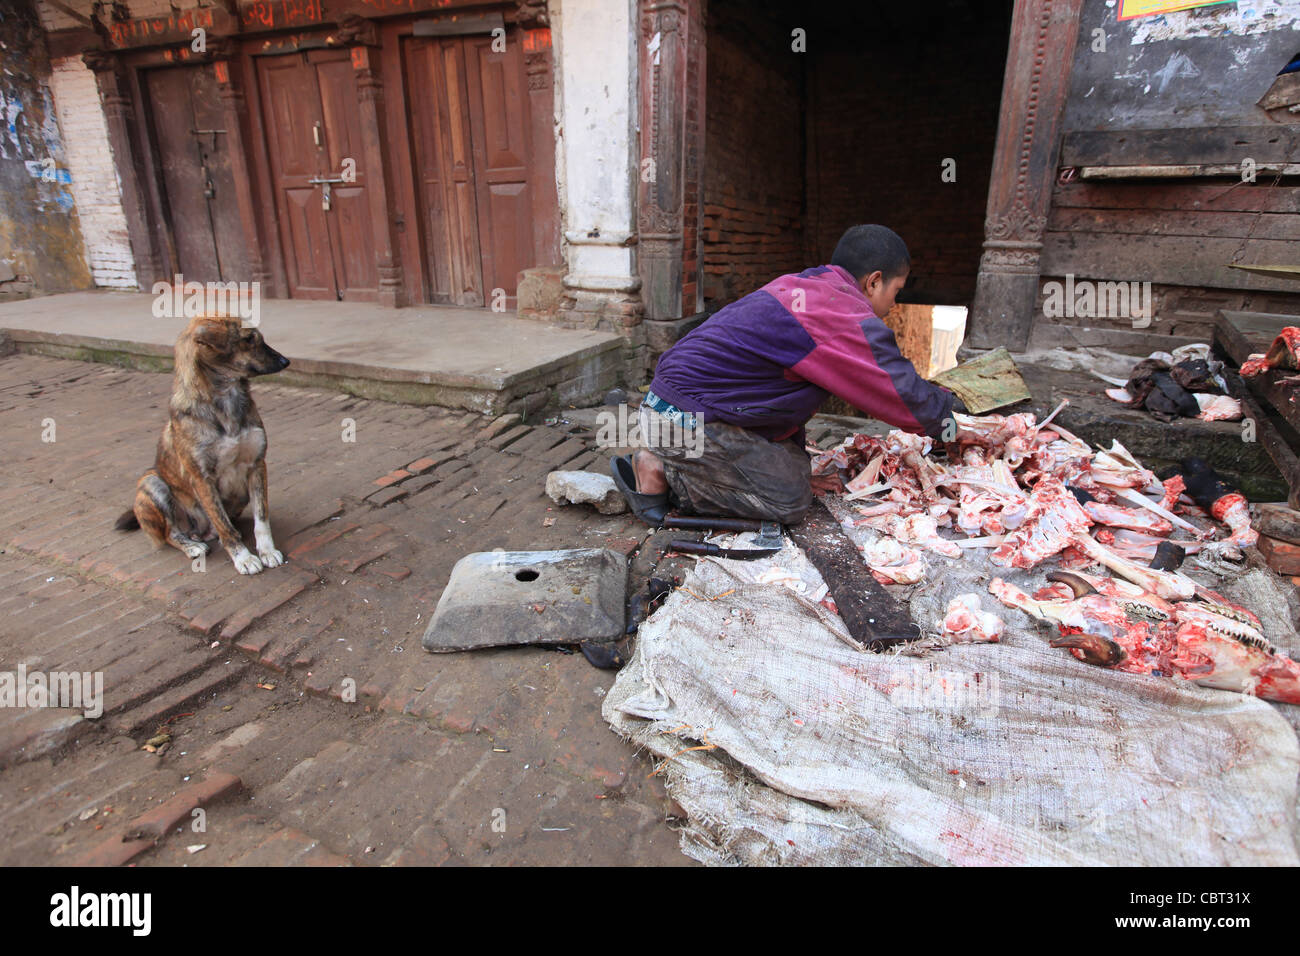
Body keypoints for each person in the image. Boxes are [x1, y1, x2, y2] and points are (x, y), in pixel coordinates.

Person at [610, 224, 963, 526]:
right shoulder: (841, 312)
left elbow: (781, 393)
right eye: (895, 292)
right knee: (788, 500)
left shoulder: (806, 286)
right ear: (874, 282)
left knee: (798, 468)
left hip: (674, 404)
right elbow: (894, 387)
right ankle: (661, 470)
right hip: (682, 417)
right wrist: (953, 421)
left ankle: (675, 457)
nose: (894, 304)